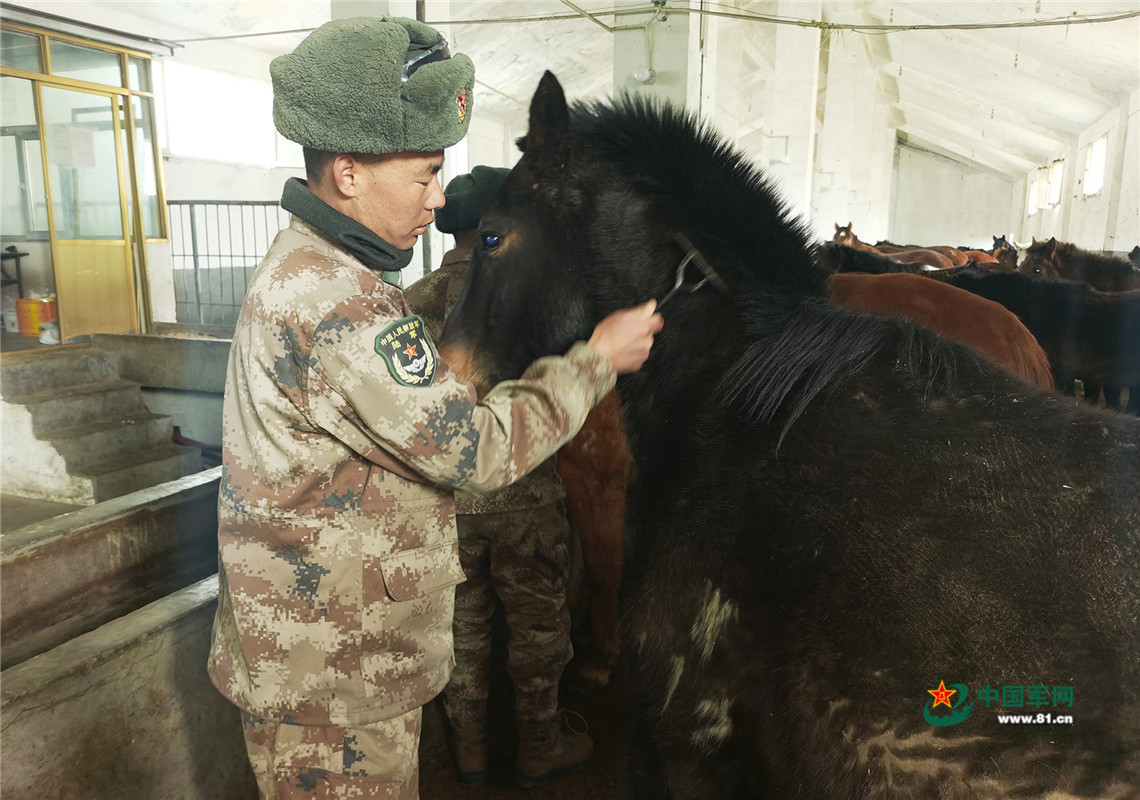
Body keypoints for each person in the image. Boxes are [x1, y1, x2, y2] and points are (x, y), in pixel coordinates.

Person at [206, 17, 663, 800]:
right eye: (423, 174)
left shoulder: (318, 269)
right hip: (332, 684)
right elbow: (474, 452)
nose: (438, 196)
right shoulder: (337, 303)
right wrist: (596, 361)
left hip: (329, 658)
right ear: (348, 173)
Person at [404, 166, 589, 788]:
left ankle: (471, 750)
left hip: (444, 506)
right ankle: (541, 744)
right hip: (524, 497)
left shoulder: (412, 304)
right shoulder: (535, 300)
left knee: (463, 629)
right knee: (539, 626)